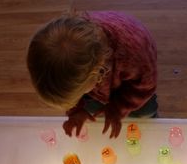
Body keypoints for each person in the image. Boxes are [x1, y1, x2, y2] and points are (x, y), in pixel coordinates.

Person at [27, 10, 158, 138]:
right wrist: (75, 111)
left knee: (145, 113)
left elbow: (145, 86)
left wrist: (117, 108)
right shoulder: (81, 54)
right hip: (102, 82)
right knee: (93, 109)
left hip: (135, 87)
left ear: (97, 72)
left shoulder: (135, 55)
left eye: (80, 94)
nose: (78, 99)